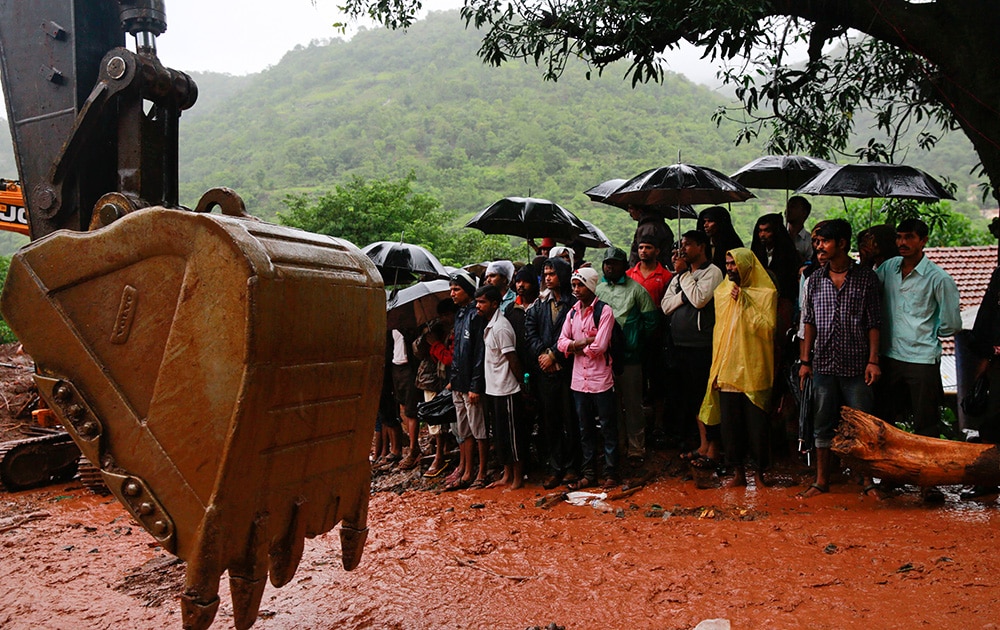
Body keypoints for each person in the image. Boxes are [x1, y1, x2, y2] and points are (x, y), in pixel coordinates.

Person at [875, 218, 962, 503]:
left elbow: (951, 323)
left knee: (926, 423)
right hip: (888, 356)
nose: (902, 242)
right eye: (899, 237)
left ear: (923, 240)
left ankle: (928, 483)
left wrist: (927, 335)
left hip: (922, 359)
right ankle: (890, 478)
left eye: (909, 237)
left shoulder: (939, 278)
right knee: (888, 422)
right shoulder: (887, 269)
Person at [797, 219, 882, 498]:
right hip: (822, 363)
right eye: (816, 242)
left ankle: (868, 481)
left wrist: (873, 361)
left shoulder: (866, 278)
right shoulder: (814, 280)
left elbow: (874, 323)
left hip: (857, 364)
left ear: (842, 243)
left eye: (824, 241)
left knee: (863, 424)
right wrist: (805, 362)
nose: (819, 246)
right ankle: (822, 480)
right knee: (822, 423)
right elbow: (808, 322)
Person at [700, 248, 777, 488]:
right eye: (727, 263)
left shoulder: (766, 294)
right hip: (727, 371)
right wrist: (716, 369)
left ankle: (761, 475)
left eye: (734, 264)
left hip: (755, 372)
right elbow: (719, 334)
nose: (730, 268)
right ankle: (739, 474)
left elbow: (768, 329)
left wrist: (745, 303)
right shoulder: (722, 292)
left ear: (746, 266)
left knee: (757, 429)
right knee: (731, 429)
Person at [662, 230, 724, 462]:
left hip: (702, 345)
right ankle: (702, 445)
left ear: (701, 246)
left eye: (687, 244)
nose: (682, 249)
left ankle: (713, 448)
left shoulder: (713, 272)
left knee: (705, 397)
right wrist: (685, 294)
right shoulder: (680, 277)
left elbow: (700, 300)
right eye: (682, 245)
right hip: (680, 345)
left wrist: (685, 281)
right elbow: (666, 306)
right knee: (690, 398)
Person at [596, 246, 658, 466]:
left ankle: (636, 448)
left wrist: (634, 341)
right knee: (610, 405)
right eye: (607, 263)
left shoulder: (637, 290)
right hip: (604, 359)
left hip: (630, 358)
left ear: (624, 266)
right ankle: (617, 445)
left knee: (633, 405)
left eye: (614, 263)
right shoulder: (599, 289)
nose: (610, 266)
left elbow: (652, 322)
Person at [558, 266, 620, 489]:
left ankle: (611, 472)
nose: (576, 289)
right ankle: (589, 473)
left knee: (607, 427)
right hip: (579, 382)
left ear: (591, 286)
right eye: (574, 285)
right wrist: (581, 343)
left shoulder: (604, 312)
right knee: (585, 429)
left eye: (580, 285)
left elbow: (600, 346)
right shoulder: (572, 312)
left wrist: (574, 347)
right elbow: (561, 343)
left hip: (600, 379)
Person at [525, 257, 580, 489]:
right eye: (545, 274)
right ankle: (555, 467)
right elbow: (530, 333)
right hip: (545, 372)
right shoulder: (539, 305)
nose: (547, 278)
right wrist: (543, 355)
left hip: (568, 369)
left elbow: (577, 334)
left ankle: (573, 467)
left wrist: (555, 356)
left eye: (552, 273)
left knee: (571, 419)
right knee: (550, 420)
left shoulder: (574, 303)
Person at [475, 284, 527, 489]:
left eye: (482, 302)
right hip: (494, 389)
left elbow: (512, 358)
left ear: (495, 304)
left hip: (508, 389)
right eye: (477, 302)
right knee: (501, 436)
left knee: (513, 437)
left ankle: (517, 478)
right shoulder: (489, 326)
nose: (478, 306)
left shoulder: (501, 327)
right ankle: (506, 475)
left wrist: (522, 384)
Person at [442, 270, 489, 491]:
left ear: (468, 291)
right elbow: (457, 351)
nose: (452, 293)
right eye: (451, 289)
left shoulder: (476, 315)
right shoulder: (460, 314)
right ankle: (464, 468)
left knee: (478, 429)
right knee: (463, 429)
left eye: (456, 289)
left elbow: (479, 353)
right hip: (458, 382)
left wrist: (475, 385)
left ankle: (479, 472)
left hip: (471, 384)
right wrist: (453, 378)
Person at [627, 235, 673, 445]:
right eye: (641, 247)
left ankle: (659, 425)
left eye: (648, 247)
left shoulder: (665, 276)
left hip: (658, 336)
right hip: (634, 337)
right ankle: (638, 426)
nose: (644, 251)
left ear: (657, 250)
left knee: (658, 381)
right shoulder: (629, 275)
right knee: (636, 381)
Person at [963, 265, 1000, 499]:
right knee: (991, 419)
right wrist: (987, 352)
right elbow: (985, 319)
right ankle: (988, 480)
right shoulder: (999, 276)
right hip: (997, 361)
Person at [414, 298, 458, 478]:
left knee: (453, 420)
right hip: (435, 377)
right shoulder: (435, 329)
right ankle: (441, 453)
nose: (443, 319)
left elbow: (449, 359)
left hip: (449, 377)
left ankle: (444, 455)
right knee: (437, 419)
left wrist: (436, 345)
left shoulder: (456, 330)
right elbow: (419, 352)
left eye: (446, 315)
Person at [391, 327, 423, 471]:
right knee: (403, 406)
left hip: (409, 367)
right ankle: (412, 445)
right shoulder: (390, 330)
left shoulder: (411, 329)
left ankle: (413, 448)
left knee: (411, 410)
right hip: (396, 367)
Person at [697, 206, 743, 271]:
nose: (705, 225)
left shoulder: (734, 245)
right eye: (704, 222)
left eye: (710, 221)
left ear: (720, 223)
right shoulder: (703, 246)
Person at [627, 204, 674, 269]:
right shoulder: (662, 226)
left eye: (631, 208)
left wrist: (634, 271)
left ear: (640, 211)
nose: (629, 211)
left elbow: (642, 255)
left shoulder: (648, 228)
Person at [785, 195, 813, 263]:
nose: (787, 210)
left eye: (793, 207)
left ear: (804, 213)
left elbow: (811, 265)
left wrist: (796, 254)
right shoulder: (780, 236)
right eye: (787, 206)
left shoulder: (810, 240)